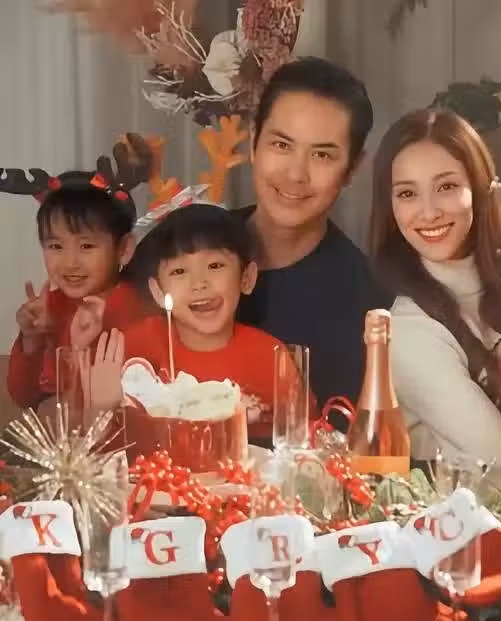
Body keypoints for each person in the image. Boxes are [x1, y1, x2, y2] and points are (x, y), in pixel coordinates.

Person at [369, 108, 501, 476]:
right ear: (390, 208)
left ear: (479, 187)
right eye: (407, 193)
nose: (428, 212)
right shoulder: (408, 331)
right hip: (490, 510)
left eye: (446, 187)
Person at [235, 56, 392, 422]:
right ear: (254, 141)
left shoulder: (370, 307)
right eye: (281, 145)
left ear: (351, 169)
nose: (296, 174)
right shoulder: (181, 252)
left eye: (322, 155)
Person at [96, 203, 310, 444]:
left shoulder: (271, 357)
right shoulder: (136, 346)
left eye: (215, 266)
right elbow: (95, 443)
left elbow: (303, 441)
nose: (199, 283)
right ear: (158, 291)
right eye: (179, 271)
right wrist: (101, 407)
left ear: (247, 278)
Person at [5, 146, 150, 410]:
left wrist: (82, 346)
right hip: (61, 433)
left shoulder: (137, 310)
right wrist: (31, 340)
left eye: (86, 246)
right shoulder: (50, 307)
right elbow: (24, 397)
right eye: (55, 246)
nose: (70, 262)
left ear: (124, 248)